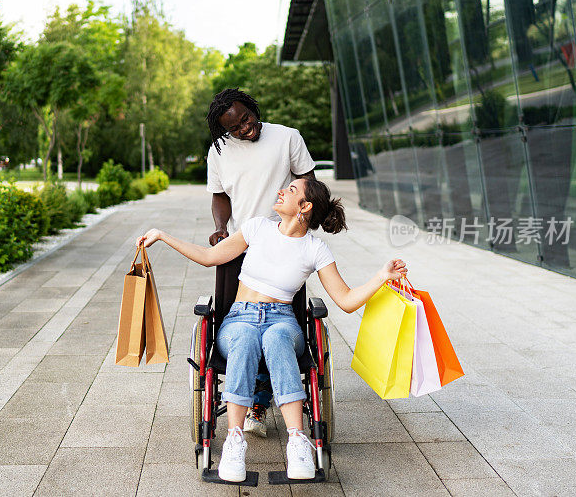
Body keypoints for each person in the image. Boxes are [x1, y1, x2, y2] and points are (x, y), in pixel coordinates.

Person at [137, 177, 407, 482]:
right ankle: (234, 442)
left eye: (291, 190)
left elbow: (345, 300)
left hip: (282, 320)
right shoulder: (257, 228)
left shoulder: (315, 249)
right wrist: (162, 236)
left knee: (276, 337)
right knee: (245, 338)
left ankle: (297, 442)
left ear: (304, 207)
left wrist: (382, 276)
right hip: (239, 318)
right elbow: (209, 257)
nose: (281, 190)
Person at [206, 88, 316, 438]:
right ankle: (254, 399)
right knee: (245, 321)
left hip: (284, 245)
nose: (244, 129)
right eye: (234, 128)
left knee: (279, 320)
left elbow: (309, 186)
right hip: (241, 243)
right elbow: (220, 195)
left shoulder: (287, 138)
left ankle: (260, 399)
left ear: (253, 108)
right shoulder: (219, 150)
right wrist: (221, 228)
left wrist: (302, 230)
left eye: (246, 119)